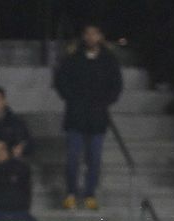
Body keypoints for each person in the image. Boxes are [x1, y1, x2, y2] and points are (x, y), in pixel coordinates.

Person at [52, 24, 122, 210]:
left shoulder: (109, 60)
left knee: (94, 159)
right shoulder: (73, 58)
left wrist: (104, 101)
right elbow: (61, 81)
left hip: (97, 118)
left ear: (100, 36)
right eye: (88, 33)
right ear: (84, 36)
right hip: (76, 116)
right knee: (73, 158)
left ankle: (90, 193)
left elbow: (116, 86)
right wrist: (72, 99)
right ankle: (71, 193)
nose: (91, 37)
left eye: (94, 33)